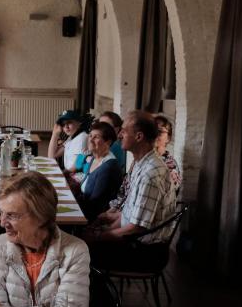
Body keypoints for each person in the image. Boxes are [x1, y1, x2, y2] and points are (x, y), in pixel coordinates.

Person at [0, 171, 90, 307]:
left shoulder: (75, 251)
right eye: (1, 213)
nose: (2, 223)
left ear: (40, 216)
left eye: (12, 215)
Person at [85, 110, 176, 258]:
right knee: (84, 234)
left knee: (80, 248)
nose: (119, 135)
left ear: (139, 137)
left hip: (144, 251)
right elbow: (133, 216)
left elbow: (135, 229)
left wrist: (98, 236)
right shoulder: (140, 164)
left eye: (124, 131)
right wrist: (107, 222)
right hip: (133, 240)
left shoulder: (150, 174)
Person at [68, 122, 124, 221]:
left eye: (96, 137)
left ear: (108, 142)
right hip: (84, 208)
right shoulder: (95, 158)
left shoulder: (108, 167)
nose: (91, 139)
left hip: (94, 218)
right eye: (90, 136)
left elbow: (95, 204)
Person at [153, 114, 181, 193]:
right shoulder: (143, 159)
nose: (154, 135)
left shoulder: (170, 165)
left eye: (159, 131)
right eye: (152, 131)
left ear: (168, 138)